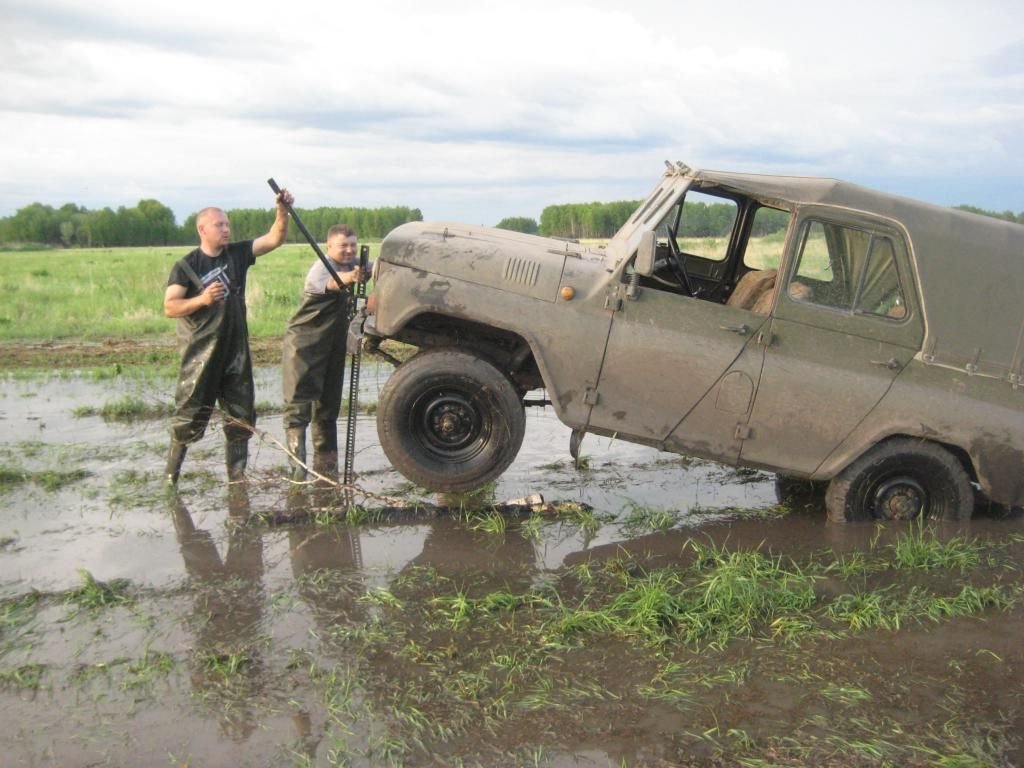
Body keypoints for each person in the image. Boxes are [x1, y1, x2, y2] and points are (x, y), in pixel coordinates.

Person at [163, 189, 294, 485]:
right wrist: (202, 300)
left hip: (235, 353)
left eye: (227, 224)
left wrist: (282, 211)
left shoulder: (237, 254)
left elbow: (274, 238)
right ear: (202, 229)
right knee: (189, 417)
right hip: (201, 356)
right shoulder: (186, 266)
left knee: (241, 418)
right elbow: (170, 306)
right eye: (219, 225)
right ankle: (171, 478)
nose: (226, 229)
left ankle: (237, 480)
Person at [281, 225, 369, 480]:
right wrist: (352, 278)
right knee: (298, 408)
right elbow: (331, 284)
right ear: (329, 247)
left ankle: (327, 470)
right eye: (343, 246)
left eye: (353, 245)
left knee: (328, 408)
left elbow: (376, 267)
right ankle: (298, 474)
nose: (350, 250)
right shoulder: (321, 268)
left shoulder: (354, 263)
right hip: (304, 345)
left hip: (333, 344)